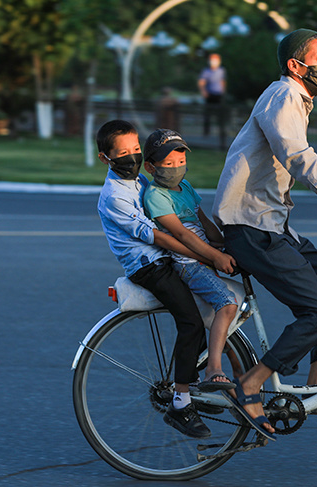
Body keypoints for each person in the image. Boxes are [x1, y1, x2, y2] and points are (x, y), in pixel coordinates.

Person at [211, 28, 317, 438]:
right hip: (250, 227)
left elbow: (306, 156)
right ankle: (251, 383)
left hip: (274, 224)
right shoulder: (283, 96)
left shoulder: (296, 100)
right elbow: (298, 157)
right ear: (296, 65)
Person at [95, 119, 211, 439]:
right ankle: (181, 404)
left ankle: (195, 383)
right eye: (123, 153)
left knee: (208, 305)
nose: (130, 157)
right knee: (191, 322)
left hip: (165, 258)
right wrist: (200, 252)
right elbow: (156, 235)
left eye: (135, 149)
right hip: (149, 266)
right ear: (106, 158)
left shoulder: (141, 181)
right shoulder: (113, 196)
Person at [141, 128, 239, 393]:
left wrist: (225, 244)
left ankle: (236, 364)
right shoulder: (155, 196)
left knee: (224, 313)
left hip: (204, 257)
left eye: (181, 162)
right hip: (189, 265)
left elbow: (202, 222)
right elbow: (183, 234)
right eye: (169, 164)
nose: (177, 168)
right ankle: (213, 369)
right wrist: (216, 256)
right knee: (227, 305)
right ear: (151, 167)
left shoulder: (185, 187)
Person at [198, 53, 227, 149]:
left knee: (220, 116)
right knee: (207, 115)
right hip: (209, 95)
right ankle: (206, 133)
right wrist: (204, 91)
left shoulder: (221, 71)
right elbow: (202, 82)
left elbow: (222, 81)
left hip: (218, 95)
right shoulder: (206, 71)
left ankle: (221, 134)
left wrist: (223, 91)